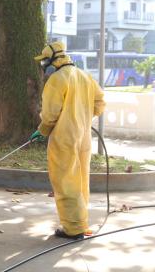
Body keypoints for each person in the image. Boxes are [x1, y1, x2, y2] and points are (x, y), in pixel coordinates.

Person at [29, 41, 106, 240]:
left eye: (45, 61)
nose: (43, 65)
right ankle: (81, 222)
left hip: (64, 138)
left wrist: (43, 129)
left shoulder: (57, 79)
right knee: (80, 180)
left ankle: (73, 228)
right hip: (84, 137)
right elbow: (100, 102)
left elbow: (50, 113)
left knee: (66, 181)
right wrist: (85, 115)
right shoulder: (85, 76)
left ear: (54, 60)